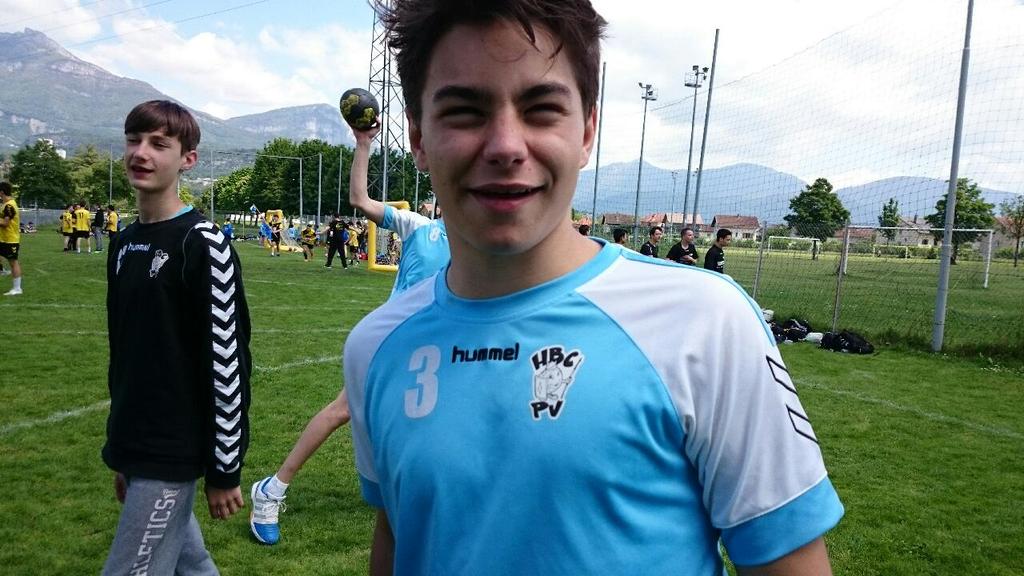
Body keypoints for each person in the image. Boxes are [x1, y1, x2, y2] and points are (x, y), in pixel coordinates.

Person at [345, 2, 844, 575]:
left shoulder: (706, 322)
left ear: (586, 131)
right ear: (418, 137)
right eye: (464, 111)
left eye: (541, 109)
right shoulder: (375, 347)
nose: (506, 145)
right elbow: (400, 533)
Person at [248, 120, 451, 546]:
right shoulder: (418, 226)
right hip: (393, 340)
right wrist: (362, 145)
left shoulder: (483, 245)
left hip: (444, 345)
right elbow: (359, 199)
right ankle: (272, 489)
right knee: (342, 410)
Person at [102, 100, 252, 575]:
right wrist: (124, 451)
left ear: (188, 159)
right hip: (138, 446)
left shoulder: (203, 243)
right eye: (134, 140)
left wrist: (225, 466)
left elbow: (227, 361)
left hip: (173, 450)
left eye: (158, 144)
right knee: (193, 566)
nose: (140, 153)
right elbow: (125, 355)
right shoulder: (123, 243)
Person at [0, 182, 23, 296]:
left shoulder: (9, 205)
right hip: (3, 238)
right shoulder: (5, 204)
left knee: (13, 263)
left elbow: (5, 223)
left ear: (2, 192)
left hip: (10, 239)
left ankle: (17, 288)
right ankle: (2, 270)